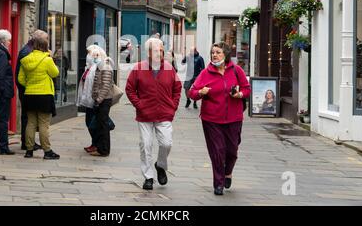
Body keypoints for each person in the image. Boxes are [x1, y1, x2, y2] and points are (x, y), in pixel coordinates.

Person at [189, 42, 251, 196]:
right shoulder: (206, 73)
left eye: (218, 52)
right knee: (217, 151)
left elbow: (247, 89)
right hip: (211, 119)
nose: (214, 55)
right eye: (212, 52)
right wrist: (201, 92)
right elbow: (192, 92)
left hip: (234, 118)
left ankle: (228, 172)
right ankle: (218, 183)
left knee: (232, 151)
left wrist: (239, 94)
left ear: (226, 54)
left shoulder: (237, 71)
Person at [125, 38, 182, 190]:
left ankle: (160, 165)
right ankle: (148, 177)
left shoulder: (169, 68)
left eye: (161, 50)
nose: (159, 53)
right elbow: (130, 89)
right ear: (148, 52)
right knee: (146, 145)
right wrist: (139, 105)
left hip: (165, 113)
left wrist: (173, 106)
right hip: (145, 114)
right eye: (156, 51)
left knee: (166, 143)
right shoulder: (138, 68)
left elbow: (177, 88)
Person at [18, 31, 61, 160]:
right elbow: (55, 73)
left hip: (29, 95)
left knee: (30, 123)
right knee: (43, 124)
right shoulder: (47, 60)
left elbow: (20, 78)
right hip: (44, 95)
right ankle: (47, 151)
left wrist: (30, 84)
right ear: (45, 46)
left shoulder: (25, 60)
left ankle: (29, 150)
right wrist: (52, 58)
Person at [15, 30, 45, 151]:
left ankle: (28, 141)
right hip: (27, 89)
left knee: (29, 116)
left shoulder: (28, 49)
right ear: (38, 40)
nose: (46, 41)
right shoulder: (27, 51)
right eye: (45, 39)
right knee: (28, 116)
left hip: (27, 88)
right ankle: (27, 142)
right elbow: (23, 74)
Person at [88, 47, 115, 157]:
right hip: (99, 100)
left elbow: (105, 86)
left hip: (104, 100)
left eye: (96, 56)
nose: (94, 58)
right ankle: (100, 148)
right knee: (100, 125)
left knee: (103, 125)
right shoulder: (100, 67)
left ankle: (104, 150)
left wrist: (98, 100)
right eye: (93, 56)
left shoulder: (106, 67)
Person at [77, 45, 102, 154]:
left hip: (94, 101)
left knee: (92, 123)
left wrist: (96, 99)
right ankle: (94, 143)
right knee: (89, 123)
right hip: (88, 101)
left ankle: (96, 144)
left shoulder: (97, 67)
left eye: (90, 54)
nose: (88, 56)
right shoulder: (89, 68)